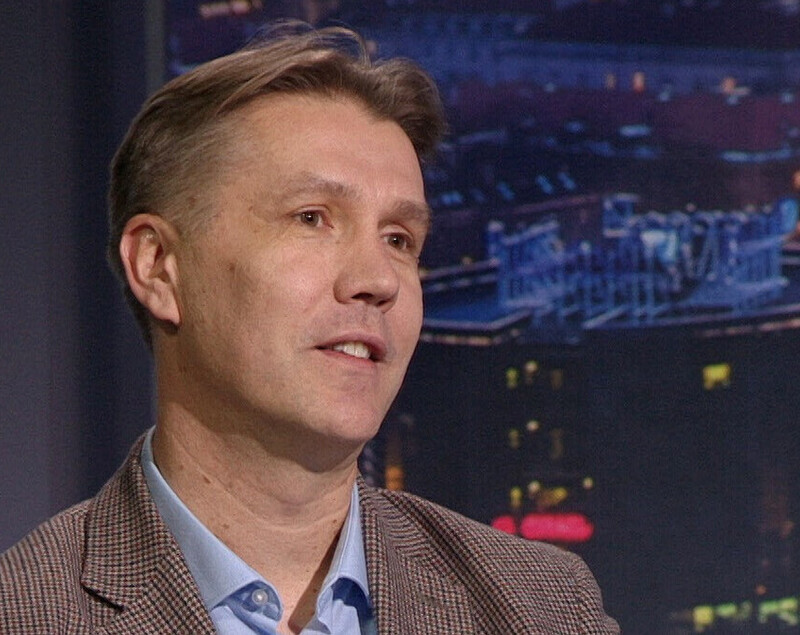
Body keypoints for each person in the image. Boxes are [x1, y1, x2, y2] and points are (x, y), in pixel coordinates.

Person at [0, 25, 618, 634]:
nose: (378, 279)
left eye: (399, 239)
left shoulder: (540, 608)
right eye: (312, 218)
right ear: (159, 266)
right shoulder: (26, 613)